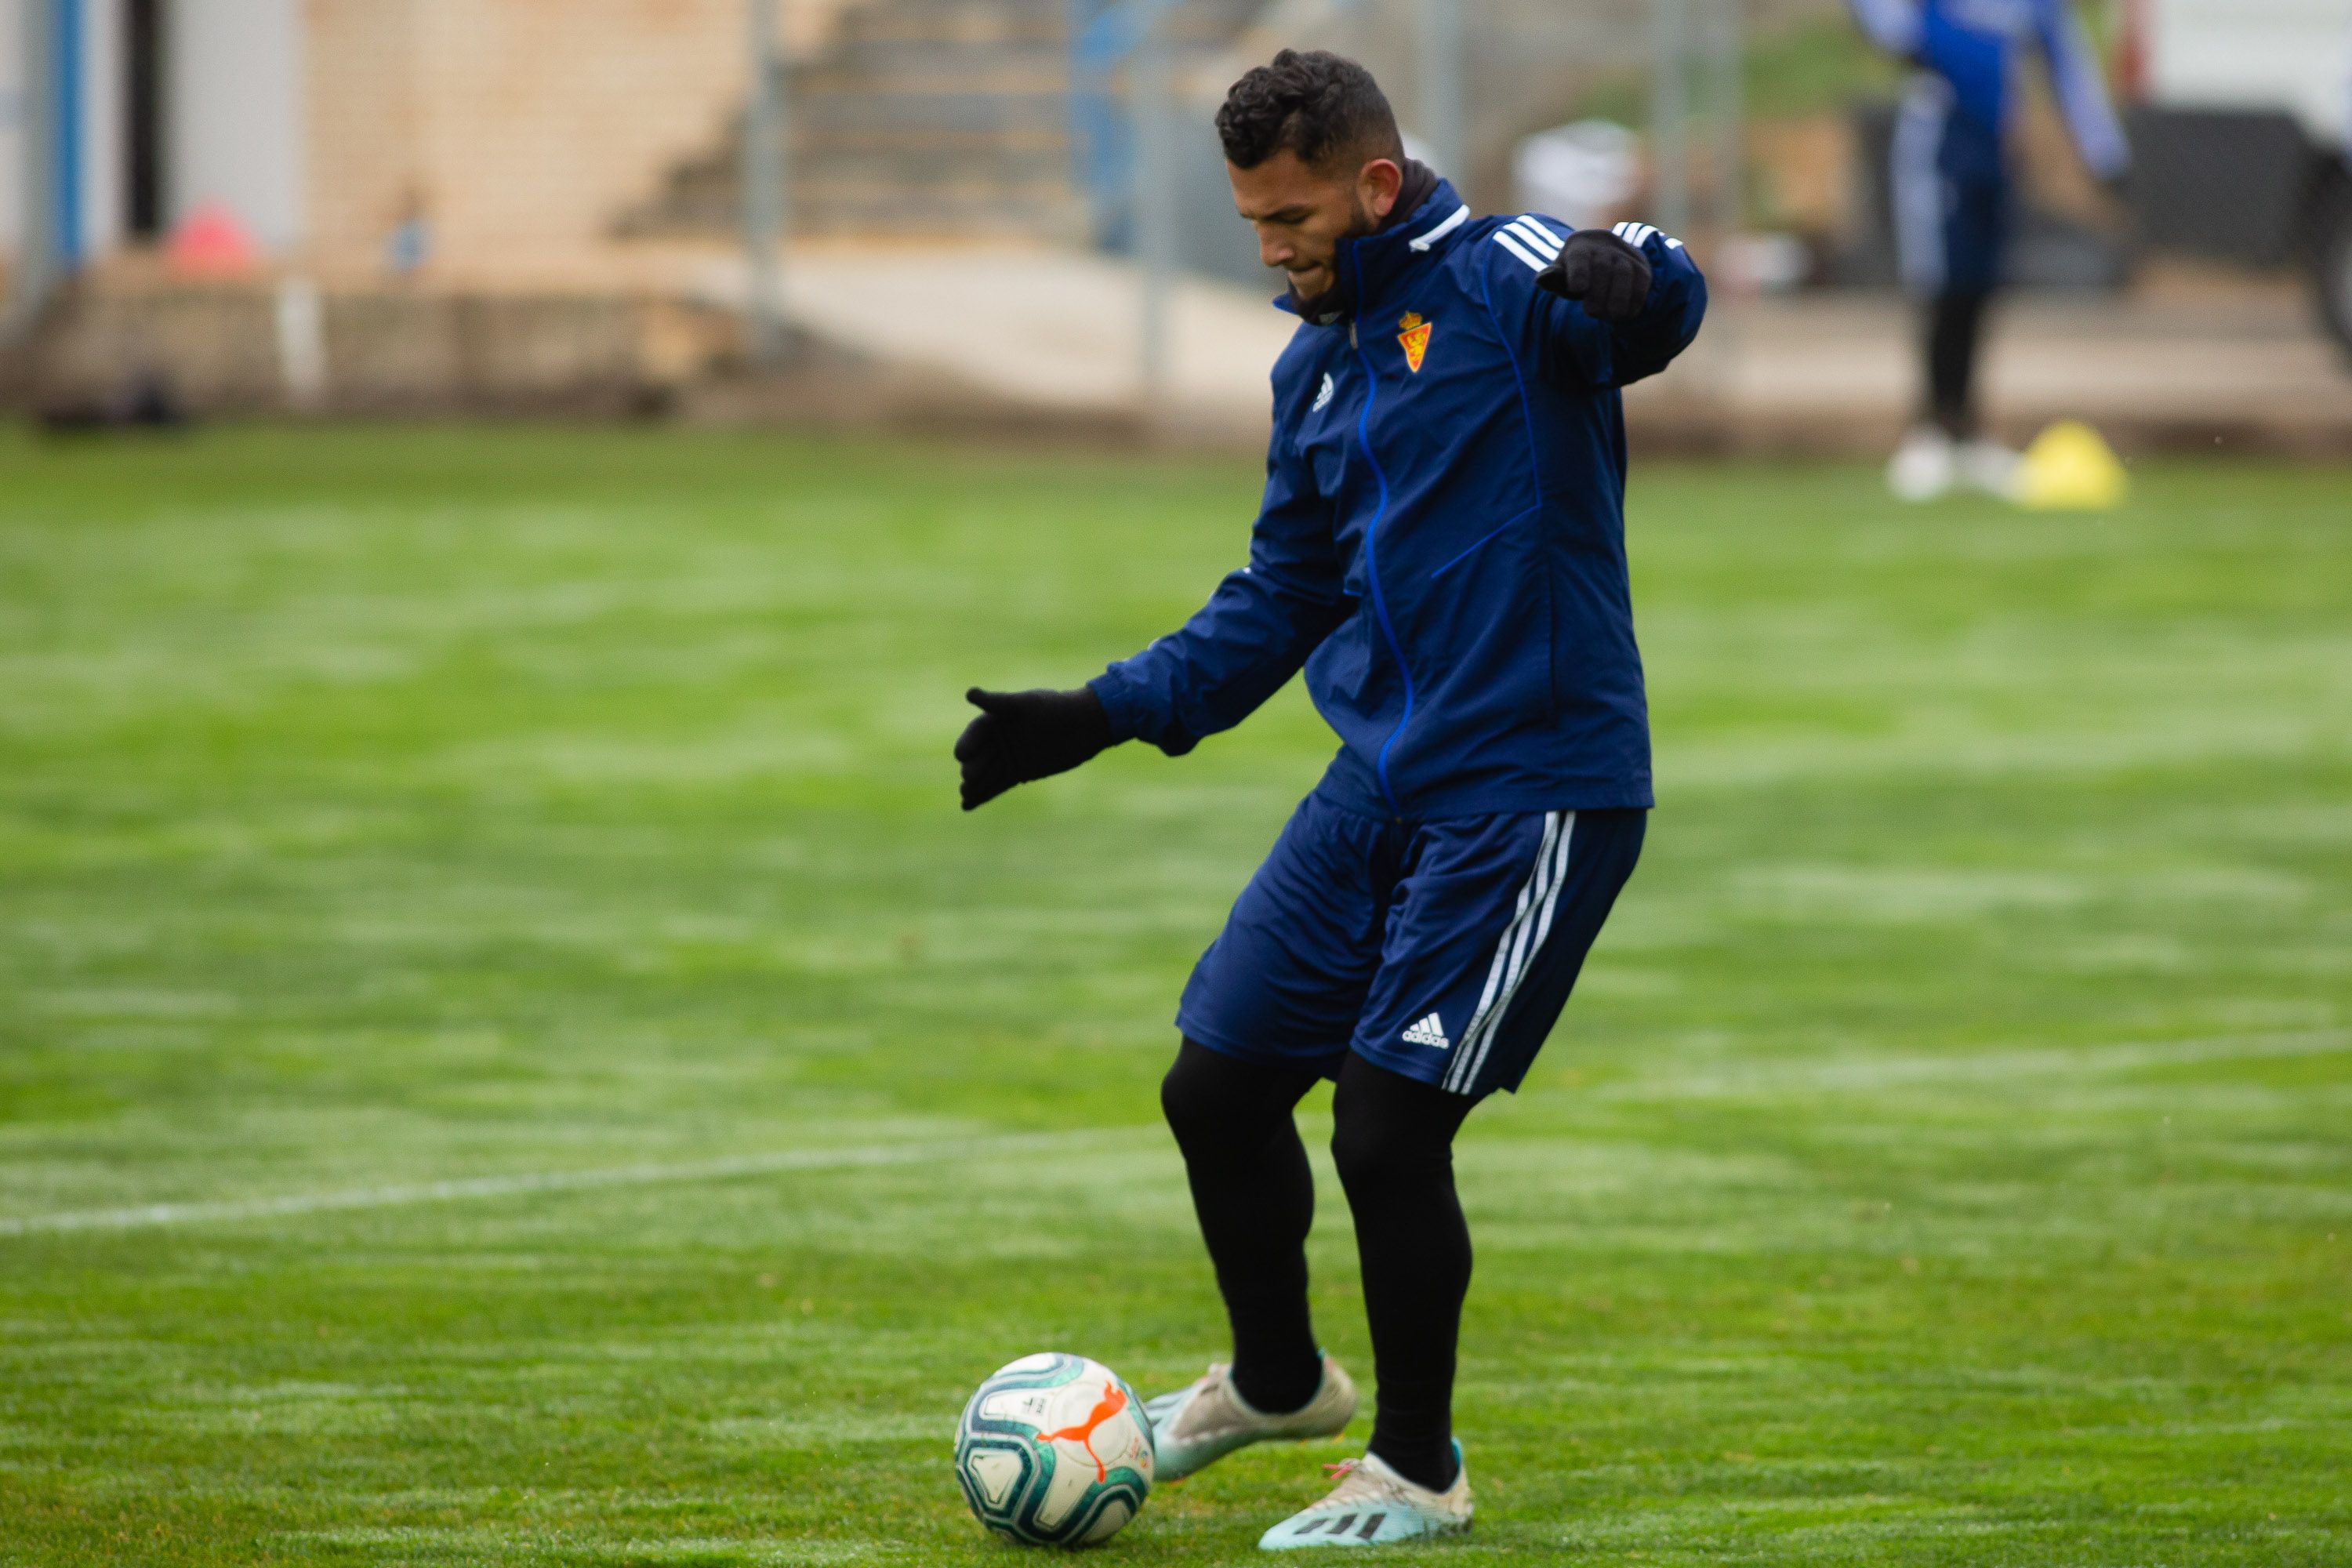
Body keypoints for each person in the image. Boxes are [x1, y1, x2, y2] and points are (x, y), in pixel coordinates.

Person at [954, 49, 1704, 1549]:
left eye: (1290, 218)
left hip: (1532, 789)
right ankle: (1280, 1381)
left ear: (1372, 185)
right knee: (1215, 1089)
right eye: (1252, 222)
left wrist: (1641, 274)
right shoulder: (1313, 367)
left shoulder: (1503, 277)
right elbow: (1281, 598)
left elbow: (1647, 289)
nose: (1270, 249)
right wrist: (1098, 715)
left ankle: (1418, 1469)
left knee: (1385, 1129)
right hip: (1379, 785)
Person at [1848, 0, 2130, 499]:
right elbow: (1882, 18)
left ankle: (1968, 432)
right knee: (1942, 281)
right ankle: (1931, 429)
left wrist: (2104, 152)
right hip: (1939, 142)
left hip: (1996, 147)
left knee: (1980, 285)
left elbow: (2068, 65)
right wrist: (1914, 38)